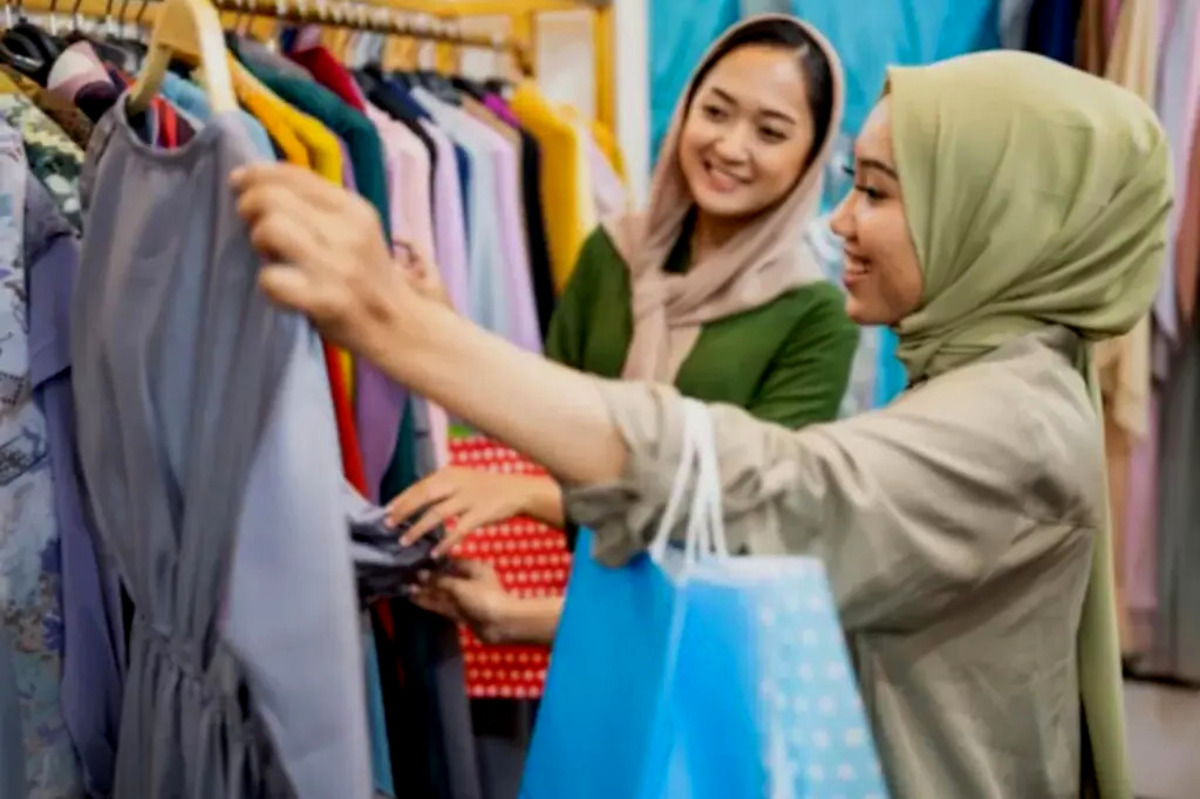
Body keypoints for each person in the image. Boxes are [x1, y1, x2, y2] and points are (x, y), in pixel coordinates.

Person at [231, 46, 1170, 799]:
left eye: (878, 192)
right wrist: (516, 615)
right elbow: (824, 581)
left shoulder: (1008, 422)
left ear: (996, 215)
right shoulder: (982, 371)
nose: (842, 220)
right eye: (855, 182)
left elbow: (774, 497)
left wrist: (401, 328)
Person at [387, 15, 859, 645]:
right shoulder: (613, 255)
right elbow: (541, 421)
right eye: (715, 112)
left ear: (809, 159)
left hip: (696, 652)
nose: (731, 147)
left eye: (770, 132)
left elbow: (742, 530)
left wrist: (519, 599)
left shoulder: (812, 315)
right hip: (583, 626)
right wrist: (436, 322)